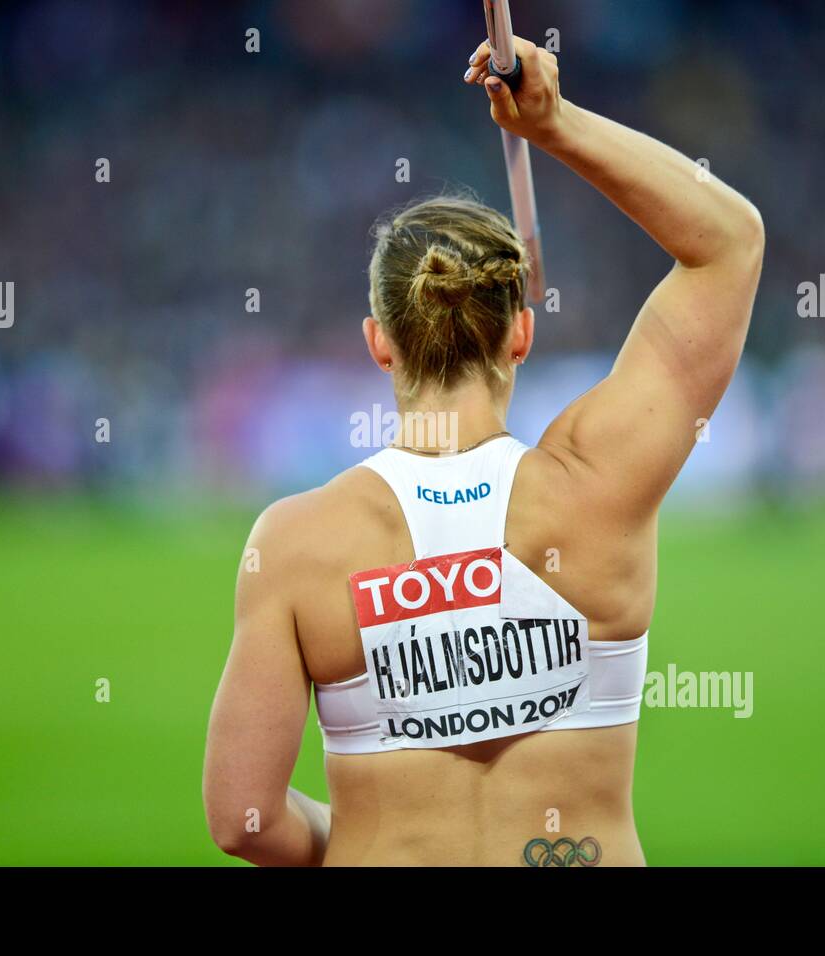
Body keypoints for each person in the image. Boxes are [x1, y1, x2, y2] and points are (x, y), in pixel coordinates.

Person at [204, 34, 764, 866]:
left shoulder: (296, 546)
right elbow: (731, 241)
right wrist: (556, 123)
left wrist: (360, 838)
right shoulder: (597, 486)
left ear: (379, 343)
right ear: (522, 335)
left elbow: (241, 819)